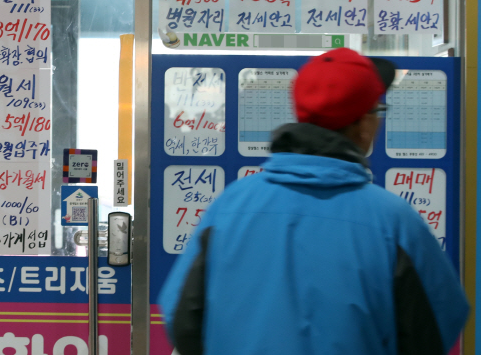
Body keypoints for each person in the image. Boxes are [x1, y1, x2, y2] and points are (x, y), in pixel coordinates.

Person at [159, 48, 469, 355]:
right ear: (363, 127)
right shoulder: (395, 223)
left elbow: (181, 318)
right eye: (378, 111)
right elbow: (436, 330)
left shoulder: (229, 207)